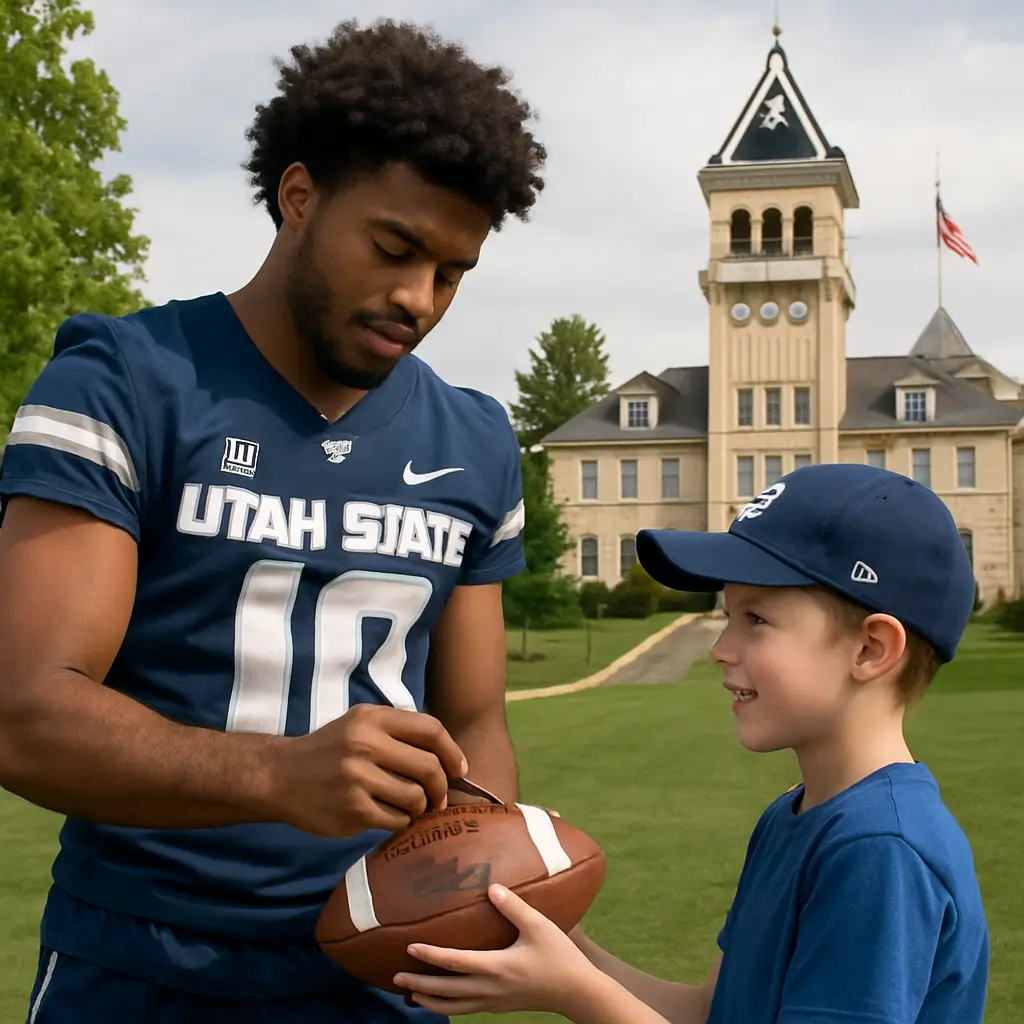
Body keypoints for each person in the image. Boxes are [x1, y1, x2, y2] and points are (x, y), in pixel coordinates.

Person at [0, 18, 546, 1024]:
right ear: (298, 198)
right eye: (394, 247)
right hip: (145, 968)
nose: (418, 297)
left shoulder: (475, 439)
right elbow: (22, 711)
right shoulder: (124, 381)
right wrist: (278, 774)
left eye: (452, 271)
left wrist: (471, 871)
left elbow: (471, 722)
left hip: (379, 978)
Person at [393, 462, 990, 1024]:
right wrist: (560, 941)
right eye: (727, 617)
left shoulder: (881, 850)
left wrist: (574, 992)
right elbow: (710, 1011)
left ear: (871, 649)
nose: (720, 649)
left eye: (756, 620)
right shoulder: (796, 815)